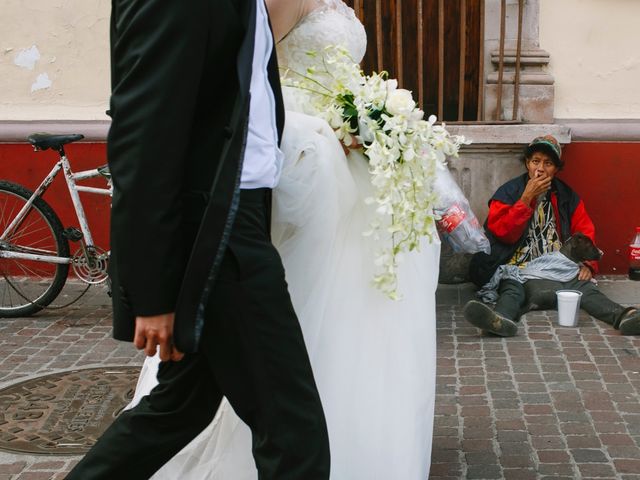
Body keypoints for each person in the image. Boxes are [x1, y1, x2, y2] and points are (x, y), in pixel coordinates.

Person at [127, 0, 441, 478]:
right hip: (290, 164)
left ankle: (352, 422)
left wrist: (368, 119)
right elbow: (249, 84)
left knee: (189, 401)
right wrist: (326, 129)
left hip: (338, 162)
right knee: (270, 409)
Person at [67, 0, 330, 478]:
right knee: (293, 432)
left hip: (235, 215)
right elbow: (142, 139)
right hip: (216, 231)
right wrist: (152, 293)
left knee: (179, 407)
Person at [464, 135, 640, 336]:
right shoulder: (508, 192)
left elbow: (584, 231)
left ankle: (627, 316)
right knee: (511, 290)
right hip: (519, 269)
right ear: (527, 164)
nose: (540, 169)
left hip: (558, 270)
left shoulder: (567, 196)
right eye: (535, 161)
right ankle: (499, 321)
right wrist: (525, 199)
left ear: (556, 169)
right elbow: (502, 233)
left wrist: (589, 265)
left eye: (548, 164)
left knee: (586, 290)